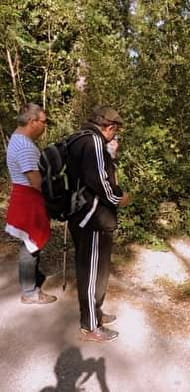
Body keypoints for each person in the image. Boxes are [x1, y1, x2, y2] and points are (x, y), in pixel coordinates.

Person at [67, 105, 130, 342]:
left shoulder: (77, 139)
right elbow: (100, 182)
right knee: (93, 272)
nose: (115, 137)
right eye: (115, 131)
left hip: (80, 214)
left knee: (93, 269)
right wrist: (119, 197)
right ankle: (91, 325)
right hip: (92, 217)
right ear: (109, 127)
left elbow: (87, 174)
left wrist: (110, 155)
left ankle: (96, 313)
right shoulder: (93, 142)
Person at [5, 103, 57, 304]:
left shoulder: (17, 139)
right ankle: (30, 292)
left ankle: (31, 281)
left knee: (30, 244)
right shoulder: (24, 146)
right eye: (44, 122)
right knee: (30, 245)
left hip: (24, 197)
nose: (45, 126)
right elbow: (37, 182)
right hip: (28, 200)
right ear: (32, 121)